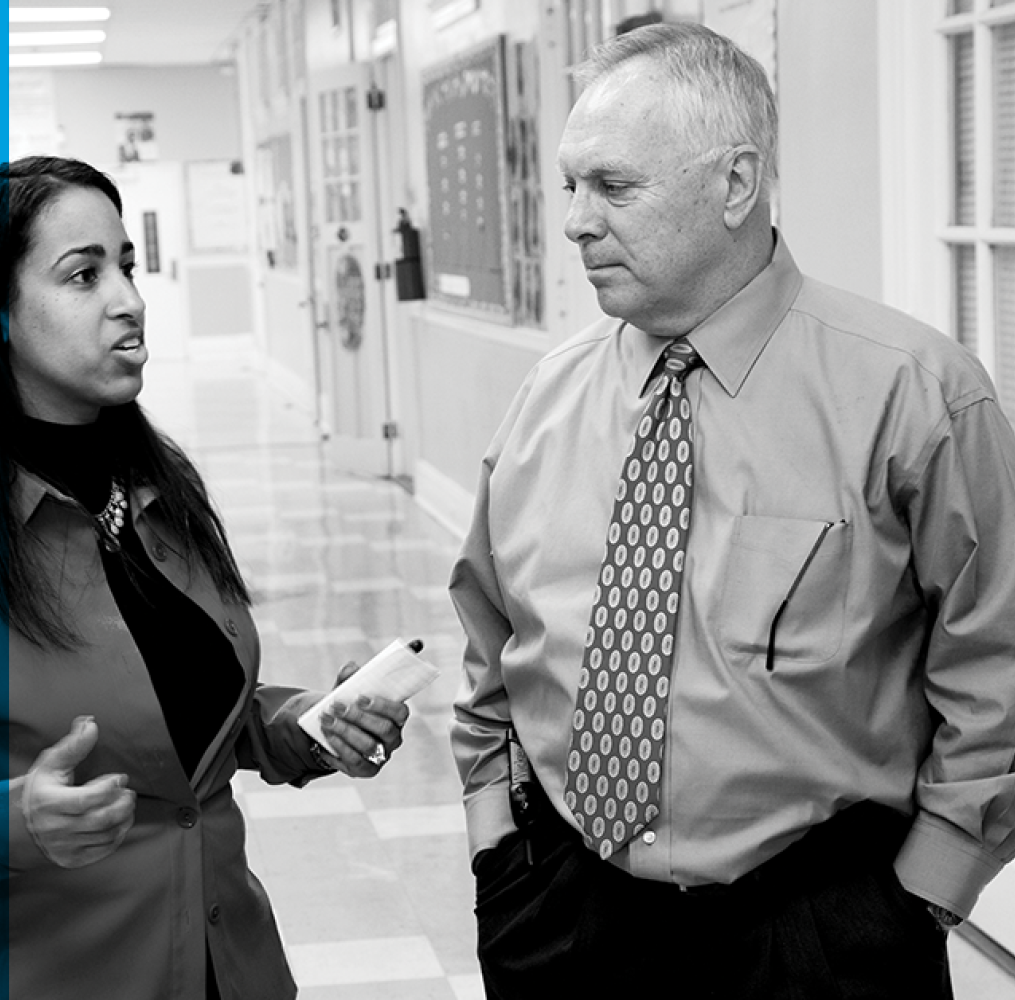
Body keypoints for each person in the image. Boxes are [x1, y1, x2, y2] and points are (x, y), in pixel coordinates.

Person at [449, 23, 1015, 999]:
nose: (576, 223)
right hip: (563, 916)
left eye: (612, 188)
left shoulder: (915, 395)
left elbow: (995, 656)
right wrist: (496, 839)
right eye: (569, 187)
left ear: (734, 185)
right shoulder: (546, 399)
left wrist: (927, 887)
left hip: (816, 930)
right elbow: (490, 635)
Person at [1, 155, 411, 1000]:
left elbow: (185, 701)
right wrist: (18, 820)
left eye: (127, 265)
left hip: (231, 957)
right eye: (83, 275)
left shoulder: (154, 483)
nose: (128, 300)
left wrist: (305, 723)